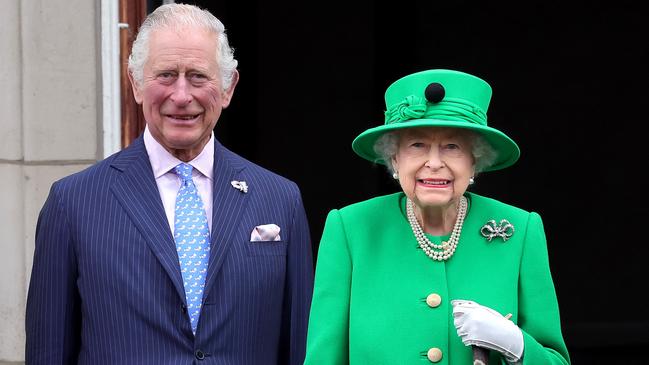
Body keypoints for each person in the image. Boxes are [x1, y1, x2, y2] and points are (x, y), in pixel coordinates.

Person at [25, 3, 313, 364]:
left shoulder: (279, 199)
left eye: (197, 76)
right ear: (136, 84)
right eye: (165, 75)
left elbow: (301, 348)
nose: (181, 95)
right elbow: (48, 352)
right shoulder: (73, 203)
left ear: (228, 88)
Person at [304, 69, 570, 364]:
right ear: (394, 158)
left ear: (475, 161)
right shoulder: (350, 229)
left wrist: (516, 346)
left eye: (452, 147)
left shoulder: (520, 231)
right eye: (417, 145)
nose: (433, 163)